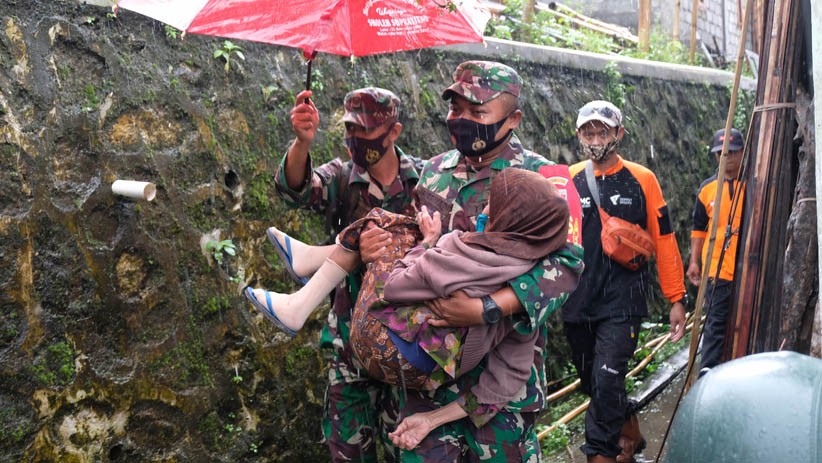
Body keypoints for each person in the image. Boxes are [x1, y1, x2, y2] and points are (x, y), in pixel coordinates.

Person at [246, 168, 581, 450]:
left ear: (510, 215)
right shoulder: (525, 293)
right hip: (428, 373)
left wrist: (429, 242)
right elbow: (506, 381)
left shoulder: (463, 252)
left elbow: (396, 285)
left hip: (381, 342)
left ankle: (301, 296)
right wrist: (431, 419)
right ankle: (308, 264)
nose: (484, 211)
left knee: (385, 224)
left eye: (493, 205)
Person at [386, 60, 585, 461]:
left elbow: (566, 267)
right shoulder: (434, 172)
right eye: (456, 110)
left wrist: (485, 309)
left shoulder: (545, 177)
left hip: (502, 388)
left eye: (477, 112)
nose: (462, 121)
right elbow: (414, 240)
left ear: (513, 118)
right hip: (430, 368)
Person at [267, 86, 421, 462]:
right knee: (348, 450)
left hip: (405, 340)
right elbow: (297, 189)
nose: (357, 140)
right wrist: (303, 143)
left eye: (366, 131)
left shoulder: (424, 181)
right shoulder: (341, 177)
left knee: (408, 447)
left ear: (393, 132)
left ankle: (308, 260)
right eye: (351, 131)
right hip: (350, 341)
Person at [564, 100, 688, 463]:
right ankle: (628, 419)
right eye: (588, 130)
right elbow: (552, 237)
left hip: (624, 302)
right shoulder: (566, 178)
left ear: (619, 133)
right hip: (577, 300)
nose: (595, 137)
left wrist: (676, 297)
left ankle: (599, 455)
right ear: (578, 135)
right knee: (595, 384)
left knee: (605, 381)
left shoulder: (642, 179)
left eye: (602, 130)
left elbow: (664, 238)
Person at [686, 128, 745, 375]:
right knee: (714, 322)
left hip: (750, 266)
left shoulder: (757, 183)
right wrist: (694, 262)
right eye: (720, 153)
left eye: (731, 152)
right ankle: (707, 371)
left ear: (743, 152)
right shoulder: (708, 189)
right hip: (718, 267)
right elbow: (698, 228)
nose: (726, 158)